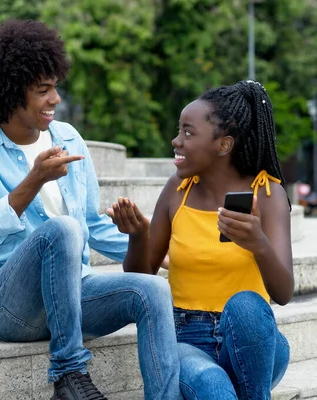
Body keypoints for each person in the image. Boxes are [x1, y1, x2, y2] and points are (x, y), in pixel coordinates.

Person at [0, 20, 181, 400]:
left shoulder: (68, 138)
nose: (56, 99)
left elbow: (92, 225)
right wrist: (32, 181)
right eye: (43, 91)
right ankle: (70, 375)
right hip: (6, 306)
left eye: (55, 87)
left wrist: (168, 255)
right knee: (63, 229)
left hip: (74, 292)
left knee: (152, 290)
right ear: (8, 92)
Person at [109, 80, 292, 399]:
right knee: (214, 386)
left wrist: (258, 242)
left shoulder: (267, 193)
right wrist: (138, 236)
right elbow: (142, 279)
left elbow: (284, 292)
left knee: (247, 304)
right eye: (179, 131)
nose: (176, 141)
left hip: (253, 342)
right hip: (187, 339)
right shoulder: (177, 192)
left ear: (223, 145)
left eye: (188, 133)